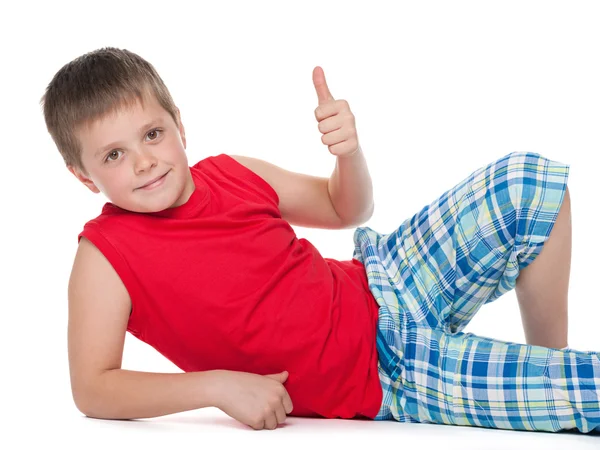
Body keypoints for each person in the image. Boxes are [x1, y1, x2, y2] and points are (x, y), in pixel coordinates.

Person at [40, 47, 600, 433]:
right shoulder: (103, 257)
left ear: (179, 125)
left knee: (526, 180)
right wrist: (216, 388)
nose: (143, 161)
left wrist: (347, 154)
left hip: (390, 279)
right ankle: (554, 382)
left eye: (153, 134)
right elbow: (92, 387)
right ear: (84, 176)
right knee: (590, 387)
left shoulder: (231, 171)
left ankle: (545, 361)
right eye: (113, 155)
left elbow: (346, 208)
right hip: (389, 373)